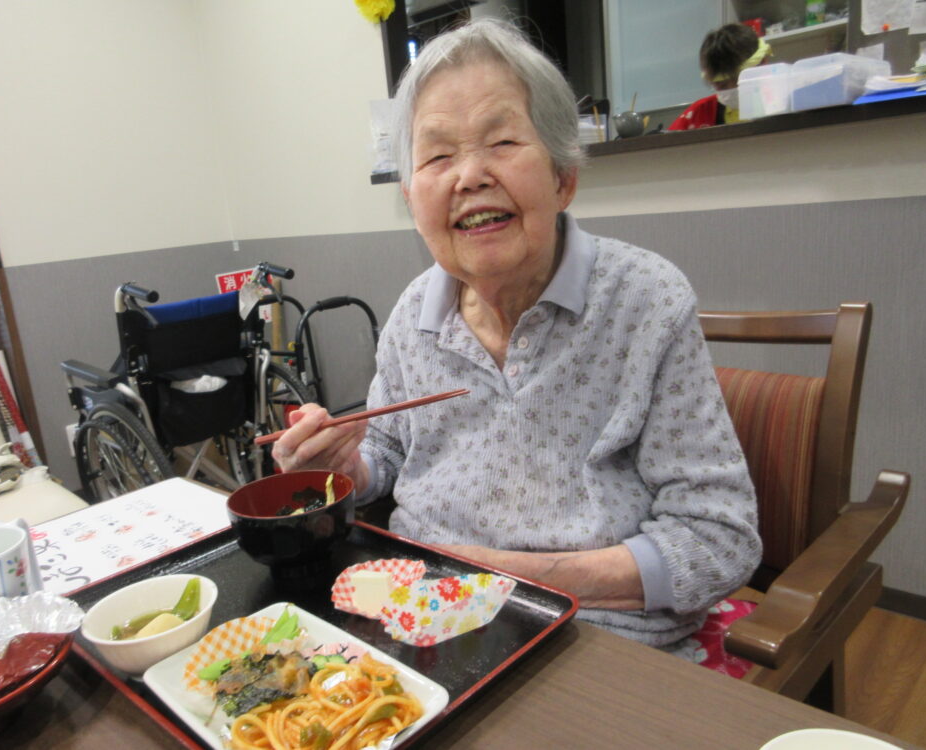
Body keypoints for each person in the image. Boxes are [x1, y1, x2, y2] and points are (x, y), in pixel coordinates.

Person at [274, 19, 761, 656]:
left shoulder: (646, 301)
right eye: (438, 155)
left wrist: (494, 579)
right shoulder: (413, 312)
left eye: (501, 140)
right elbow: (386, 455)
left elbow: (719, 541)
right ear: (411, 195)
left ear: (563, 178)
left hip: (594, 638)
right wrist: (340, 469)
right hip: (414, 625)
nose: (469, 176)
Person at [669, 23, 772, 131]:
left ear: (763, 62)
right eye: (720, 85)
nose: (729, 90)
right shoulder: (698, 115)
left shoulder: (786, 104)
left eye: (740, 80)